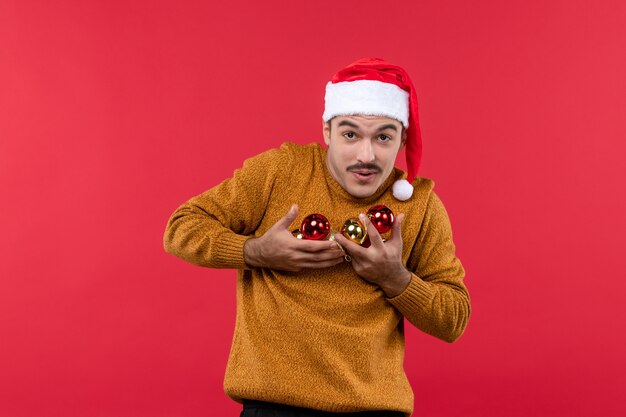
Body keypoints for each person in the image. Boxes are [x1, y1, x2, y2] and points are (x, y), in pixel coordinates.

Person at [163, 58, 471, 417]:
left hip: (373, 410)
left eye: (384, 137)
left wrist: (395, 279)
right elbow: (181, 227)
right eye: (350, 134)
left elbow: (454, 319)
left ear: (402, 137)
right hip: (274, 407)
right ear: (327, 132)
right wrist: (255, 252)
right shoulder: (281, 171)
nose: (366, 155)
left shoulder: (419, 205)